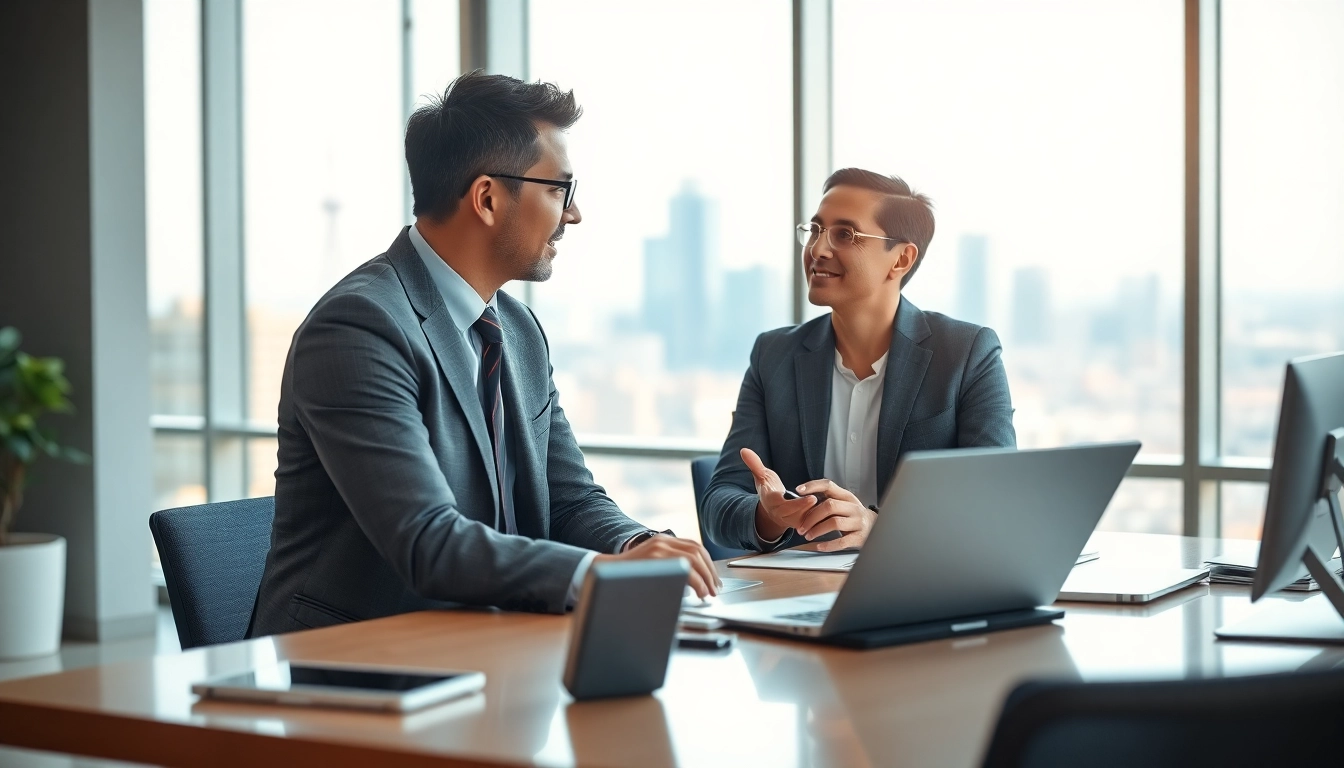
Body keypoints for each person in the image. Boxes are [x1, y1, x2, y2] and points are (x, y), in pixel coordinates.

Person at [249, 72, 718, 638]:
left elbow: (568, 500)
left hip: (489, 652)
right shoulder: (357, 328)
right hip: (351, 666)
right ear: (488, 198)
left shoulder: (516, 330)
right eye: (558, 190)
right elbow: (428, 541)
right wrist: (601, 573)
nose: (573, 214)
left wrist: (639, 546)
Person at [701, 168, 1015, 554]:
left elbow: (994, 506)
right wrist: (770, 515)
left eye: (844, 235)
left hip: (918, 583)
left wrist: (876, 526)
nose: (818, 249)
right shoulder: (774, 355)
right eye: (815, 230)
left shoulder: (968, 354)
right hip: (799, 592)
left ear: (900, 259)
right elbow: (718, 504)